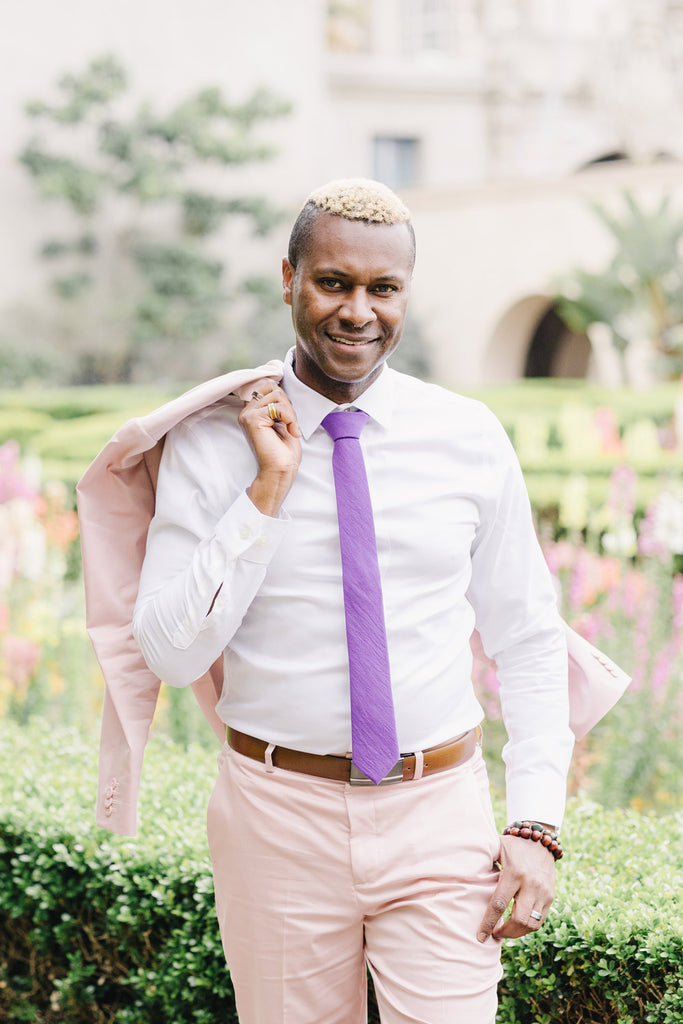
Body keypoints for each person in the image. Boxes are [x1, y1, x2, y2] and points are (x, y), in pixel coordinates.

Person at [131, 178, 575, 1024]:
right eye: (333, 283)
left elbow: (526, 636)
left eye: (383, 289)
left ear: (406, 292)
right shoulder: (210, 442)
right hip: (274, 818)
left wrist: (535, 823)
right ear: (289, 276)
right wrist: (265, 488)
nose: (357, 312)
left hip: (439, 816)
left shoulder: (468, 435)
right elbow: (172, 653)